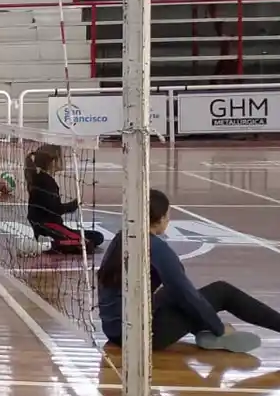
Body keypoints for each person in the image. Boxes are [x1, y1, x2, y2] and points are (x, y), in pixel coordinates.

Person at [98, 188, 280, 353]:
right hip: (143, 337)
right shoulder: (157, 249)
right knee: (222, 292)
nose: (169, 220)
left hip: (114, 330)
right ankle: (215, 331)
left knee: (171, 292)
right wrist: (219, 327)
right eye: (168, 216)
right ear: (160, 219)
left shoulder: (122, 237)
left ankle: (202, 329)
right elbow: (187, 295)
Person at [25, 144, 104, 254]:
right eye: (61, 158)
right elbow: (56, 209)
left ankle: (50, 240)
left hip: (47, 226)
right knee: (88, 244)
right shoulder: (46, 182)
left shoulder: (40, 179)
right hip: (49, 226)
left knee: (97, 236)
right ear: (53, 162)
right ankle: (49, 244)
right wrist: (75, 204)